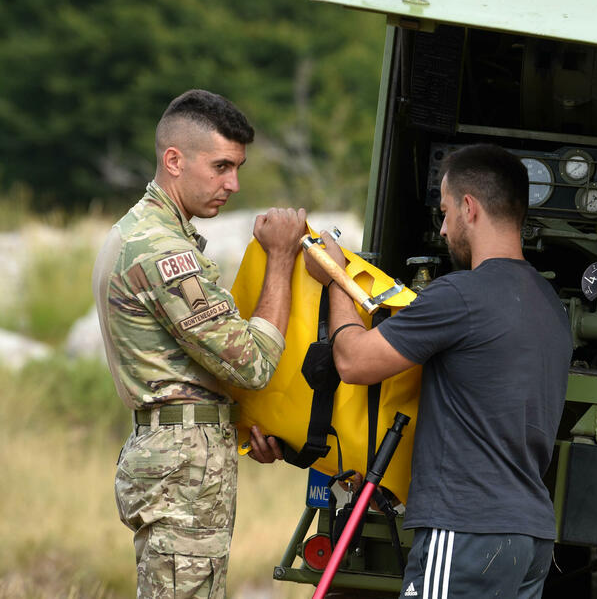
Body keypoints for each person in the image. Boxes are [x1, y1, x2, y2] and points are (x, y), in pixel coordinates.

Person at [304, 143, 572, 599]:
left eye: (445, 212)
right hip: (529, 538)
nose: (444, 229)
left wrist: (335, 277)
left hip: (466, 528)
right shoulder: (551, 307)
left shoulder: (462, 295)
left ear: (470, 208)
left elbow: (353, 361)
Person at [92, 89, 306, 598]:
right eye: (221, 167)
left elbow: (194, 372)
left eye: (239, 168)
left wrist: (246, 420)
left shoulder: (150, 233)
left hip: (184, 459)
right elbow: (251, 363)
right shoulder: (163, 251)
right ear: (174, 160)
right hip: (183, 472)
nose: (233, 184)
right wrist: (280, 258)